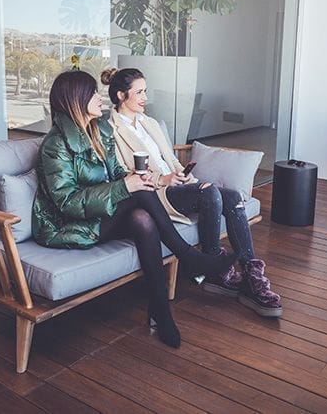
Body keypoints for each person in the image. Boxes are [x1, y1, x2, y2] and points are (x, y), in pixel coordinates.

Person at [32, 70, 236, 348]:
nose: (98, 97)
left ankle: (160, 309)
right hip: (69, 226)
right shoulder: (55, 145)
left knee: (143, 218)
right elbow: (67, 203)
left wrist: (135, 178)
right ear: (75, 99)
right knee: (138, 197)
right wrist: (125, 187)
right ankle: (188, 258)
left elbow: (116, 172)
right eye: (92, 93)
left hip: (101, 213)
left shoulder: (99, 130)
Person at [101, 67, 282, 318]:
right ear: (121, 95)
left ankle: (253, 275)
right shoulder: (109, 131)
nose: (145, 97)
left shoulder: (150, 122)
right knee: (208, 193)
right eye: (139, 92)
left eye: (146, 91)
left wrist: (182, 173)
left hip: (177, 185)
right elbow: (121, 173)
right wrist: (164, 178)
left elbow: (170, 159)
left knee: (232, 197)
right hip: (154, 194)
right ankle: (214, 271)